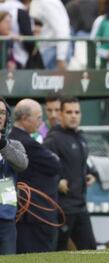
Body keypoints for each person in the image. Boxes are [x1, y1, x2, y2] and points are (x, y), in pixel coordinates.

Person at [44, 96, 97, 251]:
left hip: (80, 206)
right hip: (62, 208)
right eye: (69, 112)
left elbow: (83, 164)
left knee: (90, 251)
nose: (73, 116)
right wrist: (58, 180)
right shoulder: (53, 139)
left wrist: (91, 173)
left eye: (76, 112)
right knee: (57, 252)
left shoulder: (81, 137)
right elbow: (44, 168)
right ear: (60, 115)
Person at [8, 99, 61, 253]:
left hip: (25, 212)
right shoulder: (26, 143)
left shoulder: (14, 139)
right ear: (25, 118)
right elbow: (55, 164)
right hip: (35, 214)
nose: (41, 121)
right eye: (38, 117)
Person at [0, 97, 28, 255]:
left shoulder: (14, 145)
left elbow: (22, 164)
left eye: (2, 112)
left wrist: (3, 145)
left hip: (6, 219)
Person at [29, 0, 71, 70]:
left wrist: (61, 57)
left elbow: (62, 29)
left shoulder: (47, 2)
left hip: (54, 51)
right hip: (46, 49)